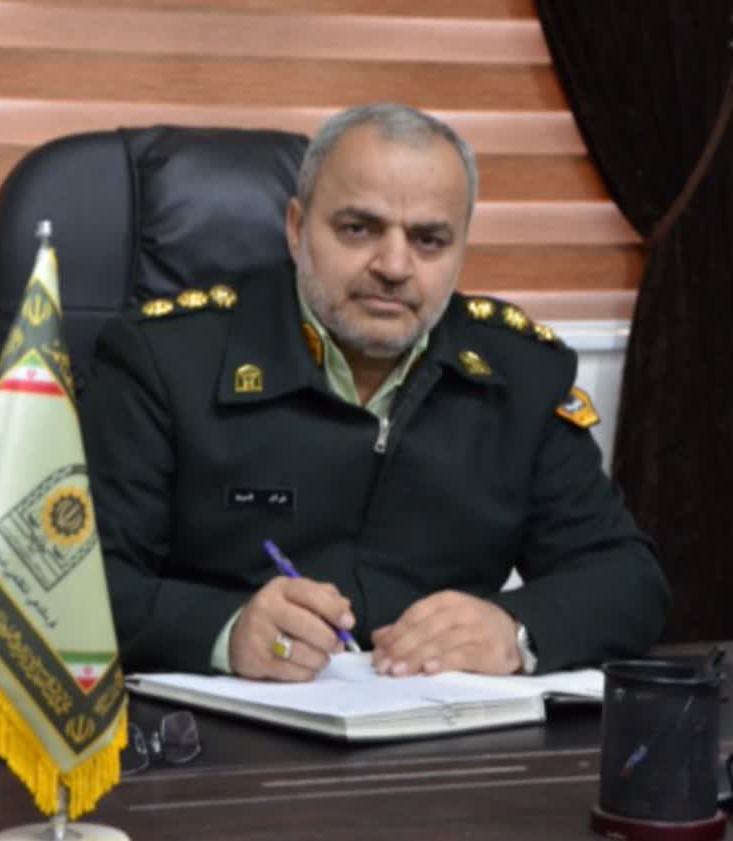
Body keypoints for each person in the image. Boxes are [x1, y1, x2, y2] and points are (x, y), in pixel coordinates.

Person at [79, 103, 669, 681]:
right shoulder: (164, 360)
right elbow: (77, 587)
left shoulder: (519, 374)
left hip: (442, 729)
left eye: (429, 240)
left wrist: (513, 631)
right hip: (219, 729)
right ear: (296, 229)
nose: (394, 265)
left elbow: (627, 578)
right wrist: (225, 631)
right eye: (359, 229)